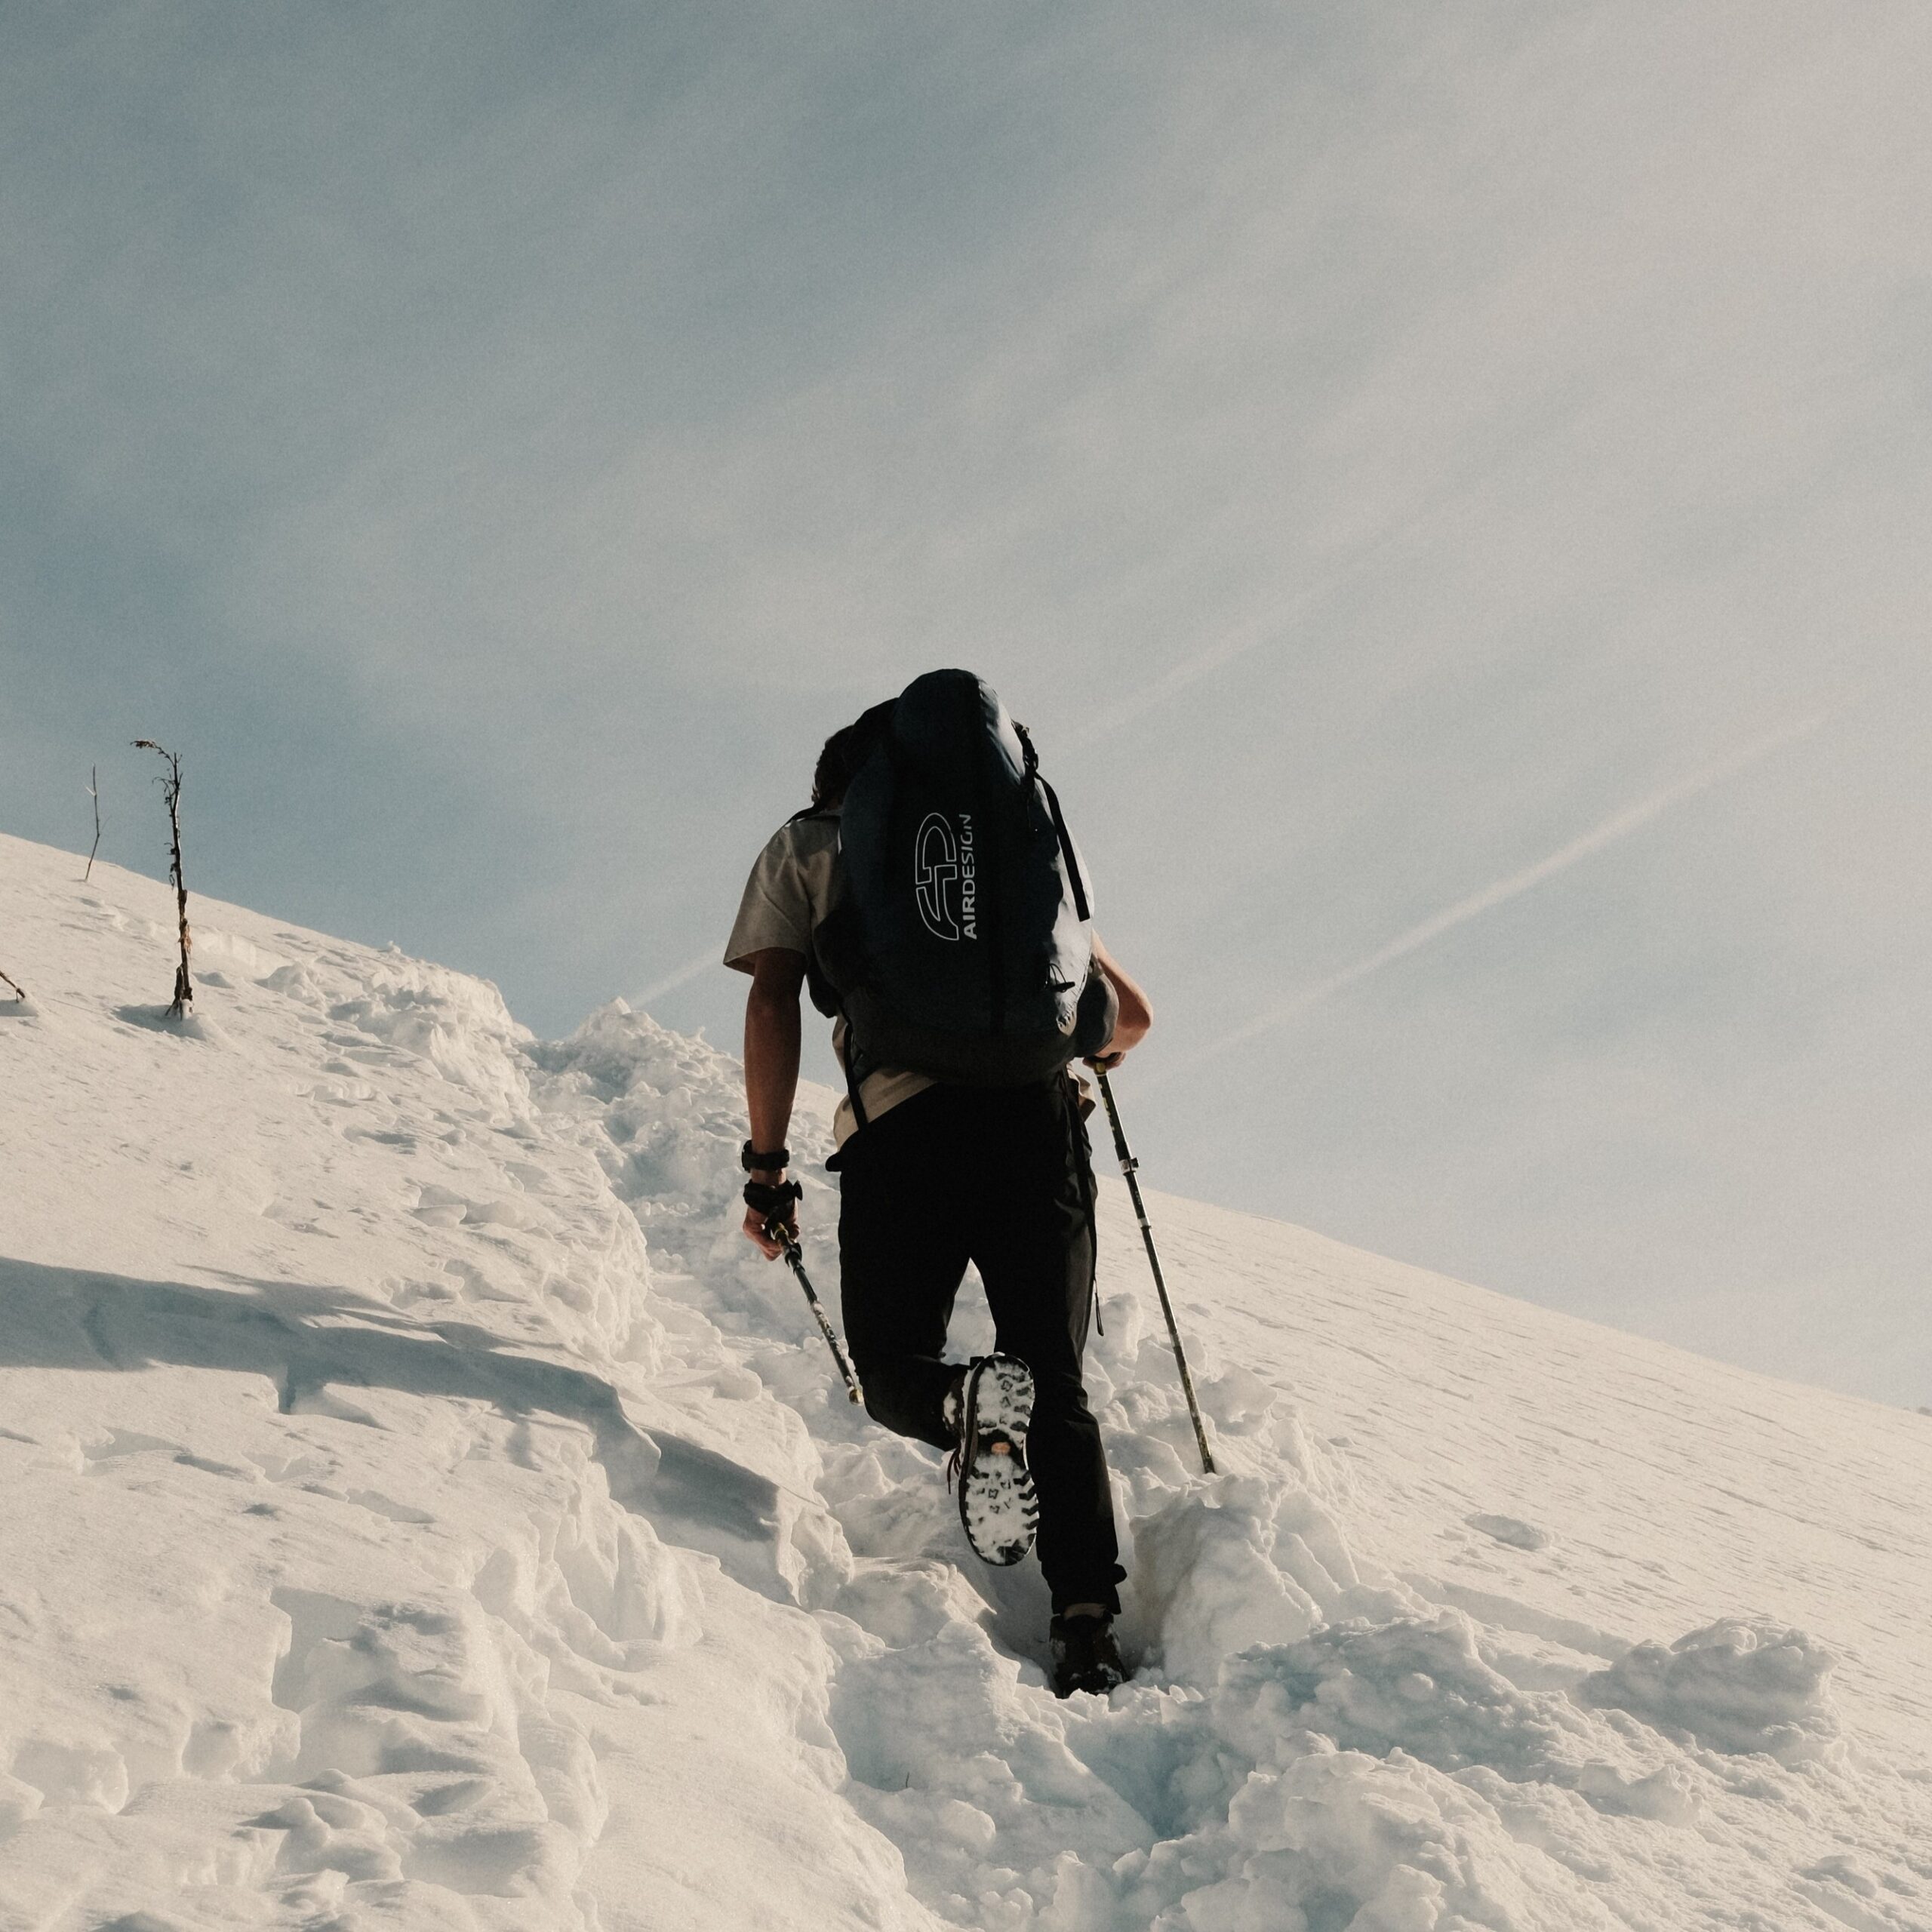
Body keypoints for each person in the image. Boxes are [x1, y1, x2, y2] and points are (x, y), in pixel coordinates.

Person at [724, 688, 1153, 1697]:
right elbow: (1128, 1021)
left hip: (901, 1131)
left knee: (889, 1368)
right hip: (1036, 1128)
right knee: (1059, 1377)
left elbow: (770, 994)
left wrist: (766, 1165)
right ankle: (1087, 1624)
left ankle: (962, 1401)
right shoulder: (1020, 865)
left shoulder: (809, 844)